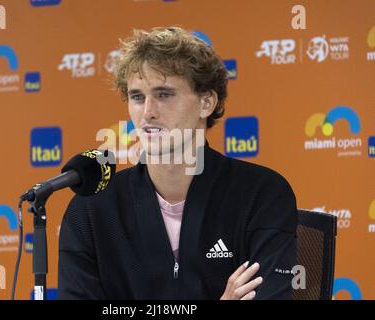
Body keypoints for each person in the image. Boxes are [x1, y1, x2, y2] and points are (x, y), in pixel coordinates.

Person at [58, 27, 298, 300]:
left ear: (206, 103)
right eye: (137, 97)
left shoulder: (261, 195)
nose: (147, 112)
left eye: (164, 94)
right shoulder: (91, 208)